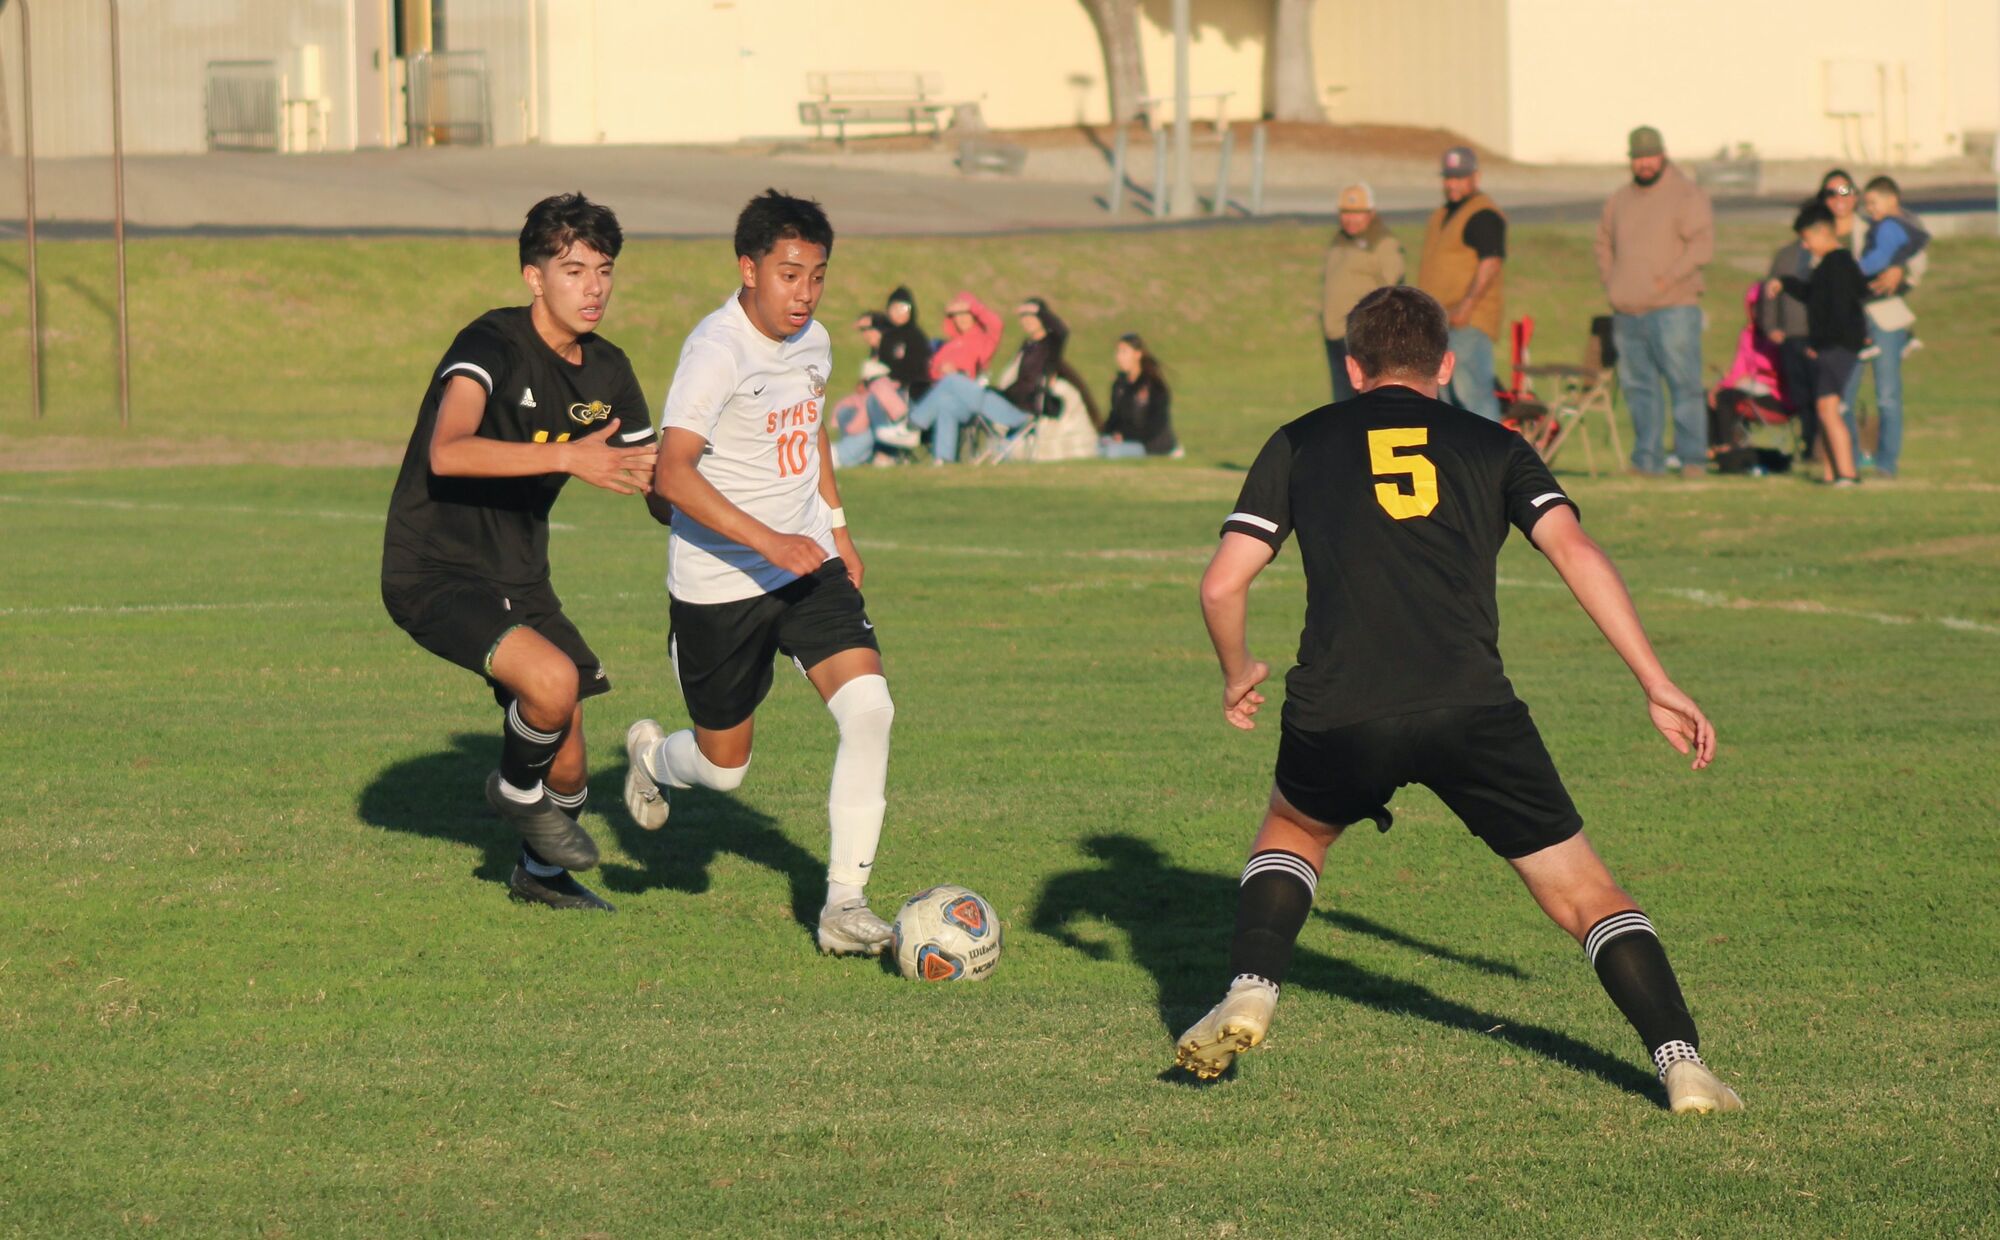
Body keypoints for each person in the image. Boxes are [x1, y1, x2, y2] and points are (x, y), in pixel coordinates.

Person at [1175, 284, 1743, 1115]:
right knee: (1587, 896)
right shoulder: (1496, 444)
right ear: (1445, 363)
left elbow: (1223, 583)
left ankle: (1254, 985)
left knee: (1296, 829)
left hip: (1340, 704)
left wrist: (1237, 671)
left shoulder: (1300, 440)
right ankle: (1681, 1062)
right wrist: (1655, 681)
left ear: (1353, 365)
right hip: (1470, 706)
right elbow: (1576, 550)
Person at [624, 189, 901, 956]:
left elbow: (808, 436)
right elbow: (673, 476)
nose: (804, 293)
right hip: (719, 585)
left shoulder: (813, 343)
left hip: (808, 566)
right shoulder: (715, 351)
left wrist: (835, 530)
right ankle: (651, 757)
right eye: (788, 275)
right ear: (747, 269)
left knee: (870, 709)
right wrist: (767, 541)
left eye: (817, 276)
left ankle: (844, 904)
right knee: (723, 772)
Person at [380, 193, 659, 913]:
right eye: (573, 270)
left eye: (604, 271)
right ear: (535, 278)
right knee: (553, 683)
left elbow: (651, 478)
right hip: (433, 567)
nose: (594, 287)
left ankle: (540, 875)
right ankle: (512, 789)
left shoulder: (609, 373)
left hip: (520, 577)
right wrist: (569, 459)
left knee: (570, 762)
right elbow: (448, 451)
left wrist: (709, 497)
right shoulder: (490, 345)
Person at [1595, 125, 1715, 478]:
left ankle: (1693, 458)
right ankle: (1647, 459)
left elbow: (1701, 247)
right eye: (1638, 157)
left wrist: (1667, 279)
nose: (1644, 164)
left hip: (1675, 307)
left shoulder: (1686, 195)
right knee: (1638, 388)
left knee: (1684, 386)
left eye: (1650, 156)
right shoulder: (1619, 199)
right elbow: (1603, 243)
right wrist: (1612, 281)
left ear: (1662, 155)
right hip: (1627, 310)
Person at [1767, 201, 1868, 485]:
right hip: (1830, 345)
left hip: (1838, 347)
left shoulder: (1839, 264)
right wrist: (1785, 282)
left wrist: (1820, 343)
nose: (1806, 246)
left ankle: (1847, 473)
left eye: (1807, 239)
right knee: (1824, 411)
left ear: (1823, 233)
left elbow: (1839, 310)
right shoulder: (1827, 266)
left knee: (1828, 410)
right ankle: (1831, 472)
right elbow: (1813, 296)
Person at [907, 297, 1070, 463]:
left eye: (1032, 316)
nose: (1027, 321)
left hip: (1021, 409)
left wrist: (1040, 311)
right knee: (947, 404)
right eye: (1024, 317)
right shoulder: (1027, 345)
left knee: (952, 380)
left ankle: (912, 425)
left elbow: (1062, 331)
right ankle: (943, 460)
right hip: (1002, 400)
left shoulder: (1050, 344)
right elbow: (932, 369)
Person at [1844, 176, 1931, 479]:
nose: (1868, 208)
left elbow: (1918, 264)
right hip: (1850, 316)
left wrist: (1899, 268)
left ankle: (1886, 464)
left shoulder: (1893, 225)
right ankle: (1848, 460)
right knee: (1845, 395)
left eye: (1872, 202)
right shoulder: (1844, 226)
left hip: (1886, 314)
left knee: (1888, 395)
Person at [1414, 146, 1506, 422]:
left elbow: (1490, 264)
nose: (1452, 184)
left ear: (1475, 177)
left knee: (1474, 394)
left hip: (1468, 321)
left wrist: (1467, 306)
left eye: (1460, 177)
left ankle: (1491, 461)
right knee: (1447, 397)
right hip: (1442, 322)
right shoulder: (1444, 213)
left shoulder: (1483, 214)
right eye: (1449, 177)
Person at [1321, 182, 1404, 403]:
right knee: (1342, 403)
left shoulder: (1383, 242)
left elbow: (1392, 289)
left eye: (1357, 213)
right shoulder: (1340, 239)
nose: (1350, 219)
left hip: (1362, 338)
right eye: (1346, 213)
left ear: (1371, 213)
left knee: (1363, 401)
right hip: (1337, 337)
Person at [829, 312, 913, 468]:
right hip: (873, 398)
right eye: (863, 331)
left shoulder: (896, 349)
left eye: (868, 329)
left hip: (895, 400)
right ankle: (850, 451)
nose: (865, 335)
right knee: (845, 411)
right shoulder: (874, 353)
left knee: (870, 413)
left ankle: (842, 454)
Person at [1100, 333, 1178, 458]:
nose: (1119, 357)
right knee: (1096, 448)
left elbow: (1156, 424)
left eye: (1124, 352)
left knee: (1111, 453)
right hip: (1128, 441)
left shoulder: (1153, 385)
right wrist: (1107, 433)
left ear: (1137, 354)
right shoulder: (1120, 385)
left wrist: (1126, 436)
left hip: (1152, 444)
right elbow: (1115, 417)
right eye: (1118, 352)